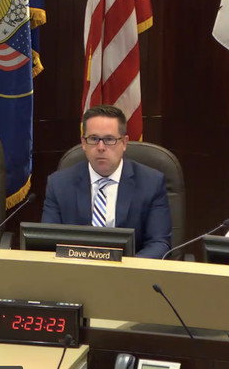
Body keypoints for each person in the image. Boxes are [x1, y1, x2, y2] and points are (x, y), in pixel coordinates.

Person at [41, 105, 172, 258]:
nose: (101, 147)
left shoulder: (151, 183)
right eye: (94, 139)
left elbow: (159, 243)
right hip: (75, 274)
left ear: (124, 143)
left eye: (109, 139)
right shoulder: (59, 184)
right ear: (83, 143)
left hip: (129, 276)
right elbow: (47, 243)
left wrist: (124, 273)